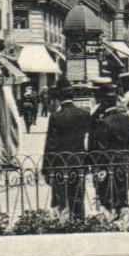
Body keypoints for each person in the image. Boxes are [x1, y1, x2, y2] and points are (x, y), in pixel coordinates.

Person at [43, 85, 93, 217]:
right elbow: (89, 139)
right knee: (78, 194)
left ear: (59, 99)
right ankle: (79, 220)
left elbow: (50, 144)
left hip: (61, 163)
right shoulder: (84, 115)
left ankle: (64, 220)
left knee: (62, 196)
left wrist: (46, 168)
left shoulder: (56, 117)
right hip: (78, 161)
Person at [89, 89, 129, 213]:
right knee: (122, 197)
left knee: (108, 200)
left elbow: (101, 147)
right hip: (123, 162)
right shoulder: (127, 119)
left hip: (108, 165)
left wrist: (98, 167)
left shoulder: (104, 123)